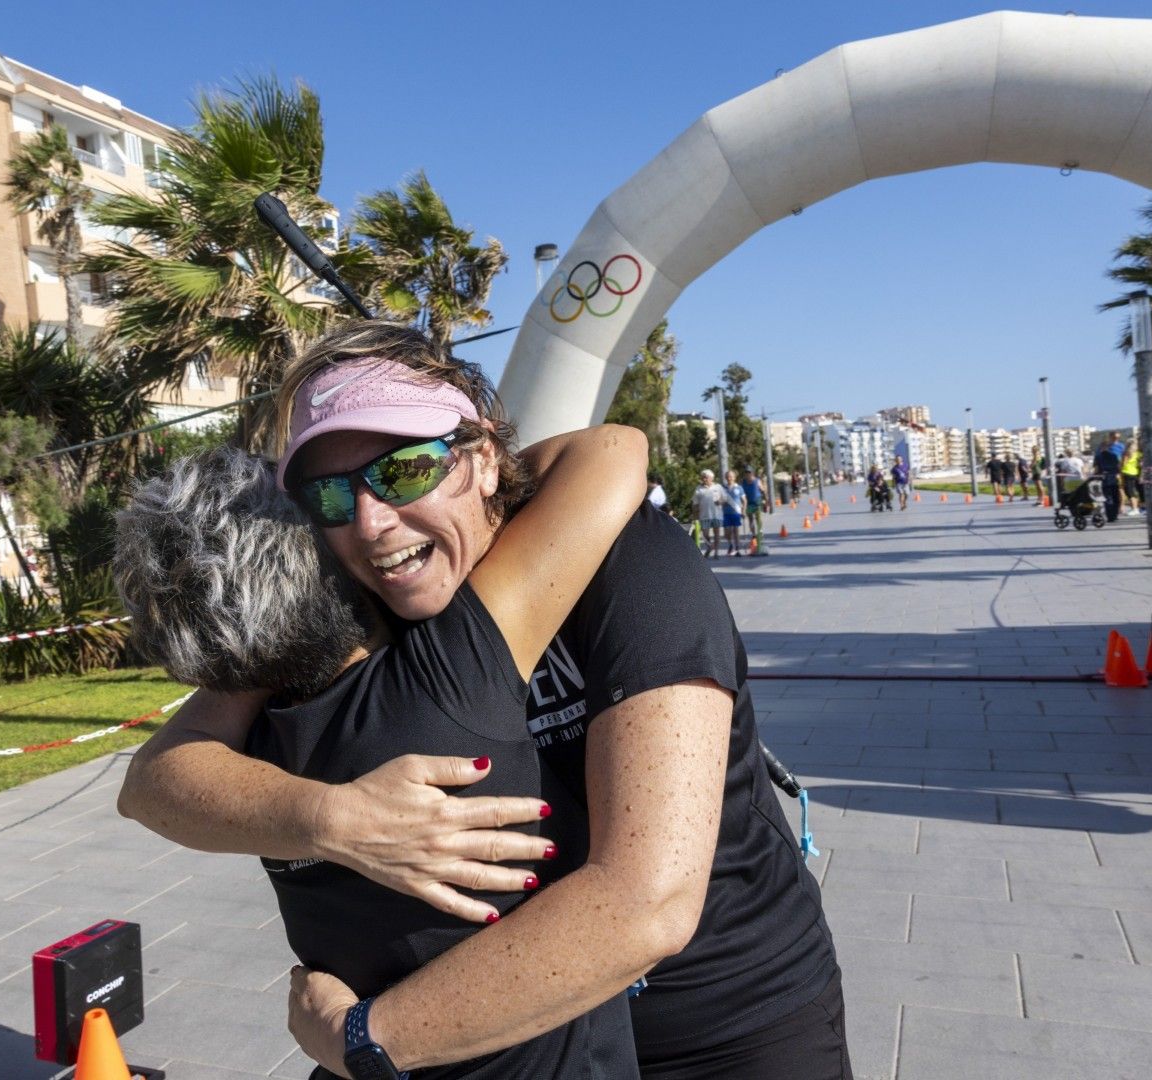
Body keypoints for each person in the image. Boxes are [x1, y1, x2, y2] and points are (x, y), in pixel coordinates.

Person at [119, 322, 847, 1079]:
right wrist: (333, 820)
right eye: (329, 494)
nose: (371, 522)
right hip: (514, 1024)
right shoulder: (366, 599)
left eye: (403, 472)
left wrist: (363, 1039)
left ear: (485, 458)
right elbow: (157, 780)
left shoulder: (632, 563)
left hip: (724, 1020)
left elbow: (648, 900)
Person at [113, 417, 648, 1077]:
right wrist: (456, 470)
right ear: (318, 557)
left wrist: (320, 818)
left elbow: (142, 786)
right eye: (330, 509)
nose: (366, 523)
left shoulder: (241, 750)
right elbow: (612, 450)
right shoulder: (454, 667)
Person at [693, 468, 725, 557]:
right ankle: (710, 547)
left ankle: (716, 552)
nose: (704, 479)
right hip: (704, 515)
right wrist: (695, 516)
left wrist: (720, 501)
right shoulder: (699, 489)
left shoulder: (718, 487)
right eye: (703, 477)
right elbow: (695, 503)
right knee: (705, 534)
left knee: (717, 534)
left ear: (712, 478)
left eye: (706, 477)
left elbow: (724, 498)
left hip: (716, 514)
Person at [1093, 436, 1123, 523]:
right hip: (1114, 478)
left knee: (1108, 498)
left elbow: (1097, 469)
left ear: (1101, 447)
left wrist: (1095, 476)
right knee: (1115, 497)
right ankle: (1115, 514)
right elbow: (1118, 468)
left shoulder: (1098, 457)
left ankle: (1110, 516)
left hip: (1104, 479)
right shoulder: (1114, 456)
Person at [720, 469, 745, 556]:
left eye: (731, 476)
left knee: (735, 531)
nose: (729, 478)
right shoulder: (723, 488)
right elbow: (719, 500)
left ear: (734, 477)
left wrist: (743, 511)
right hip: (725, 513)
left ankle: (737, 548)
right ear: (725, 478)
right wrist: (722, 502)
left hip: (736, 512)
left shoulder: (739, 488)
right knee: (727, 532)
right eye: (727, 476)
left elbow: (744, 500)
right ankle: (731, 544)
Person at [741, 468, 764, 541]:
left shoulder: (757, 481)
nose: (748, 475)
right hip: (748, 502)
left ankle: (760, 530)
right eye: (746, 473)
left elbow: (763, 490)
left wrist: (766, 500)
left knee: (758, 518)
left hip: (757, 502)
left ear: (752, 473)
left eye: (749, 473)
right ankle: (753, 534)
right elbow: (741, 493)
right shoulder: (743, 482)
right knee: (750, 519)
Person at [1121, 442, 1143, 516]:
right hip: (1134, 473)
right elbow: (1139, 464)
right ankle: (1135, 508)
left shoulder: (1127, 454)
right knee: (1132, 491)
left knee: (1129, 491)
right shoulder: (1138, 454)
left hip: (1127, 472)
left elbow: (1123, 464)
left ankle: (1135, 508)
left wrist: (1119, 469)